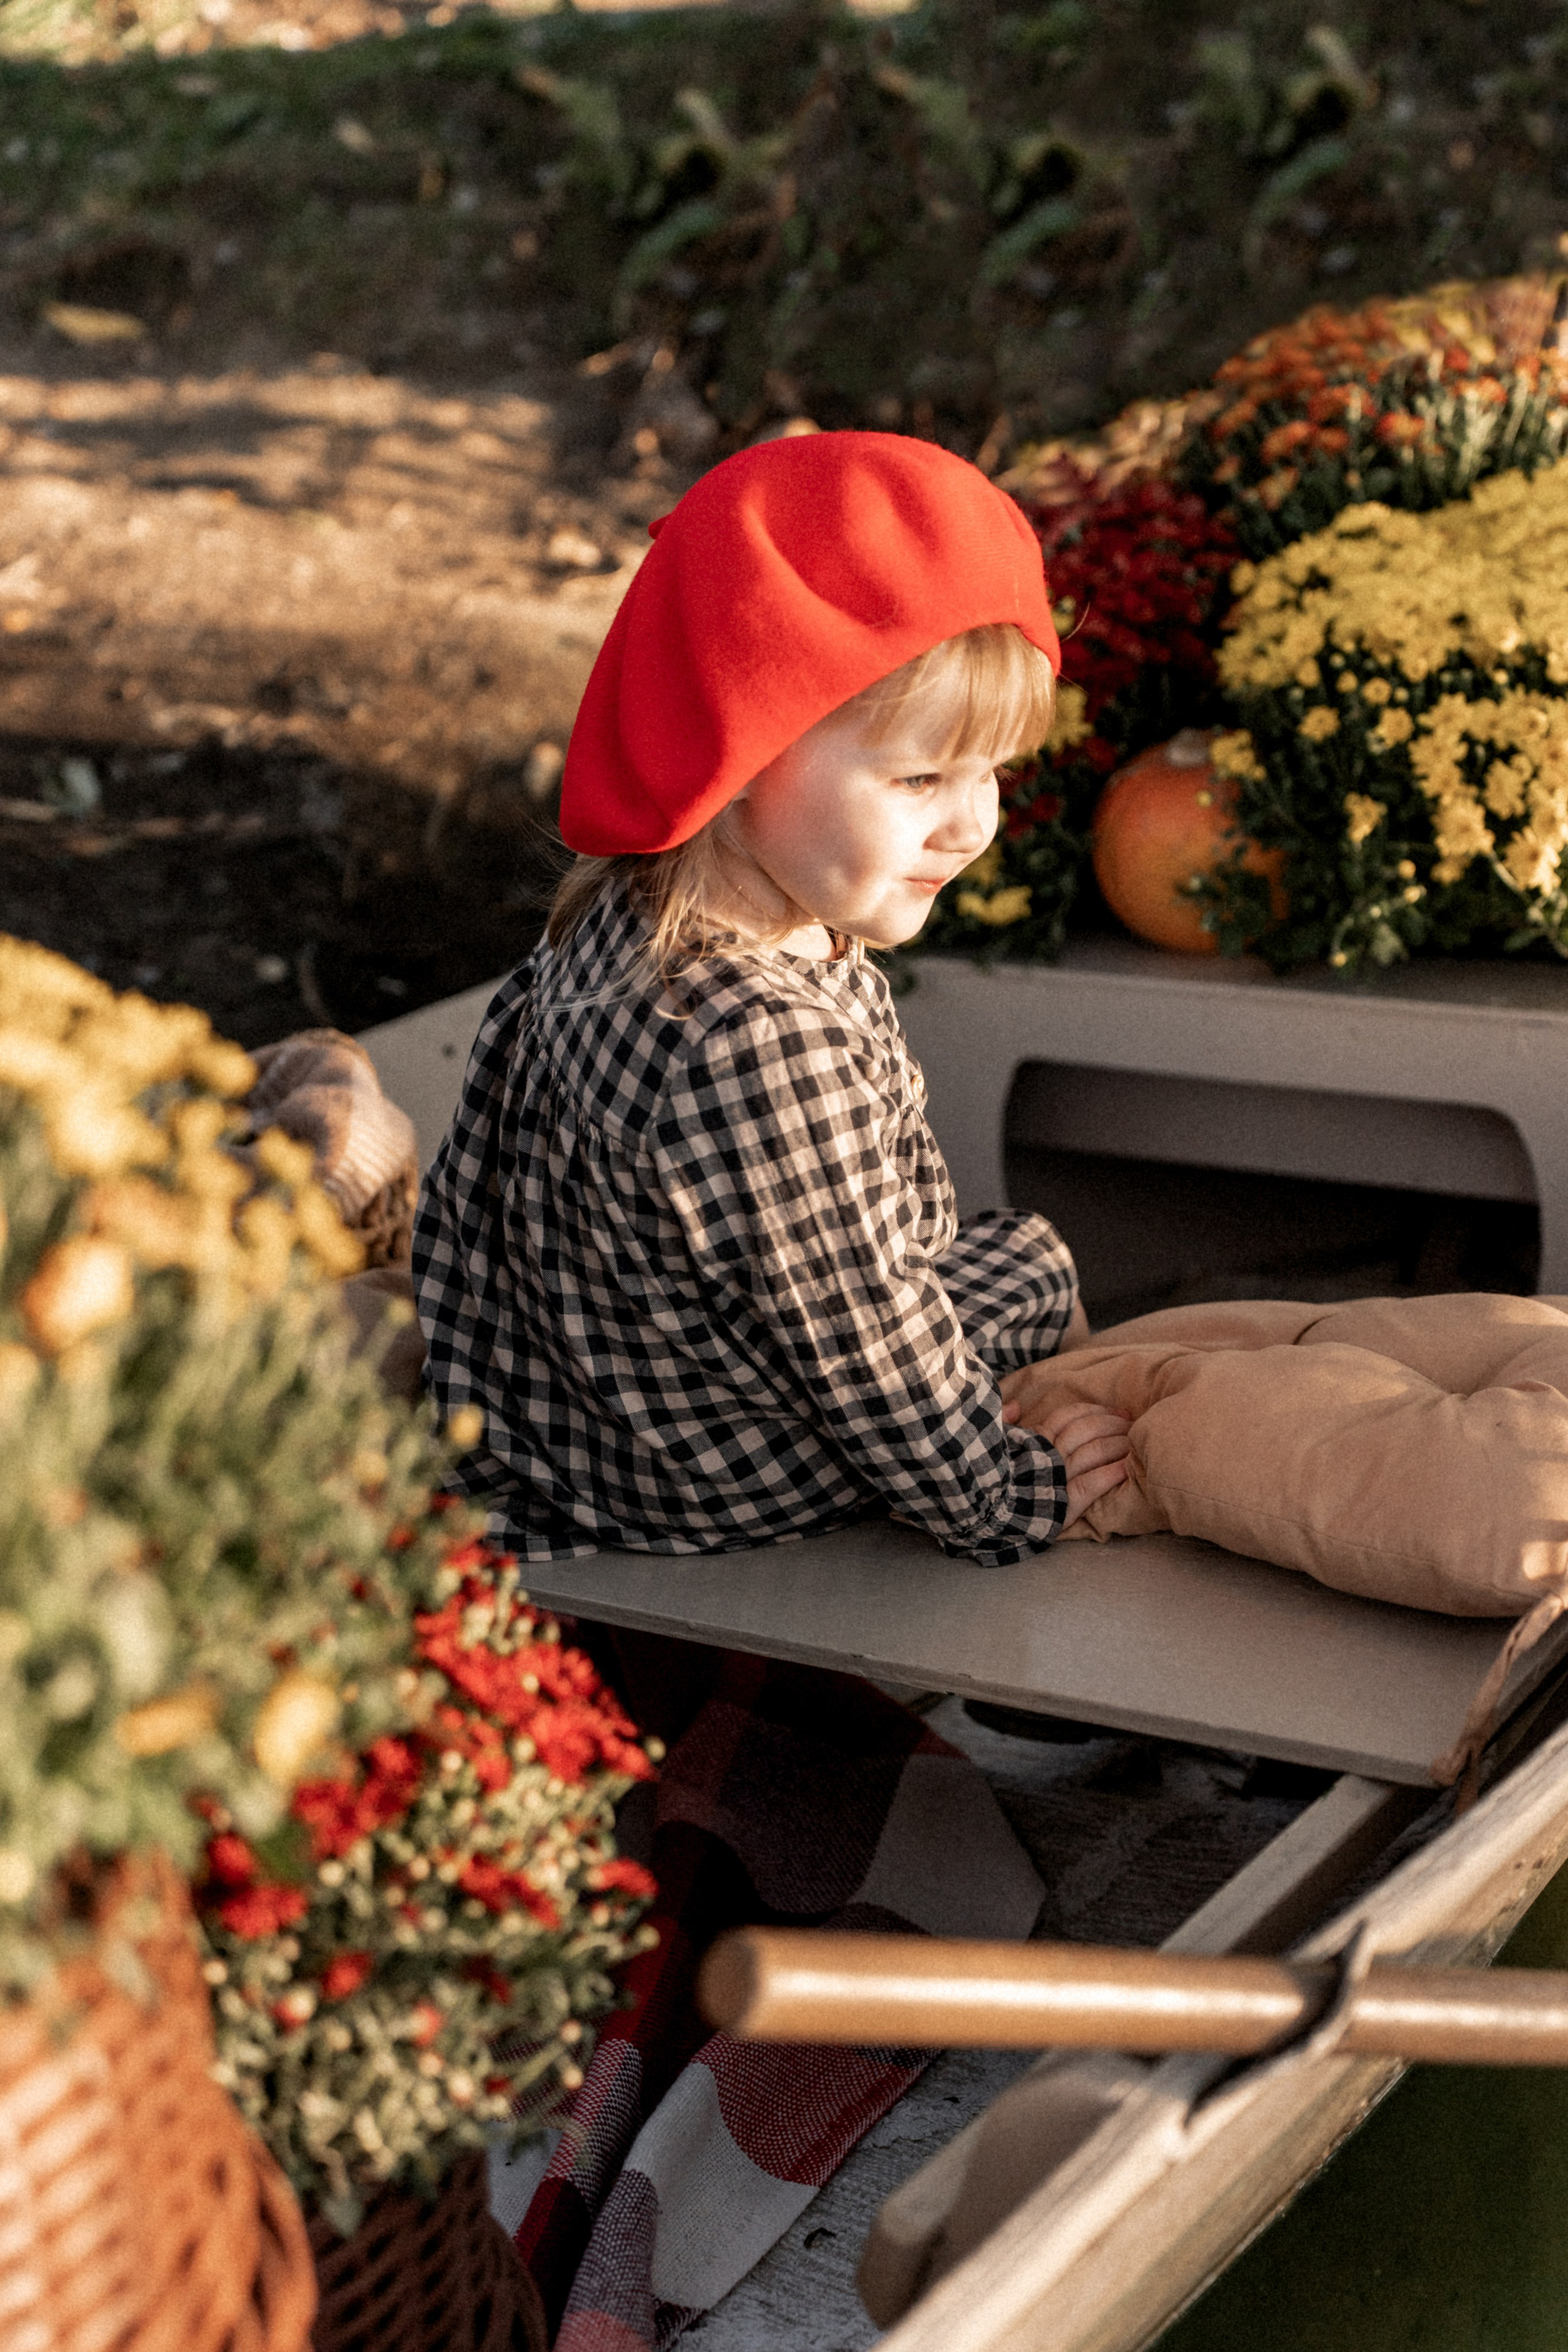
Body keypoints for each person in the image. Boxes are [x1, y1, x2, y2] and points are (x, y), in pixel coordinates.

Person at [413, 431, 1129, 1563]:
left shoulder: (619, 918)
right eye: (918, 778)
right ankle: (1049, 1621)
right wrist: (1004, 1496)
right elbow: (864, 1345)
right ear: (741, 744)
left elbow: (474, 1217)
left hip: (581, 1416)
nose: (974, 824)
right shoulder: (754, 1040)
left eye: (991, 772)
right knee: (1035, 1268)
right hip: (710, 1475)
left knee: (999, 1274)